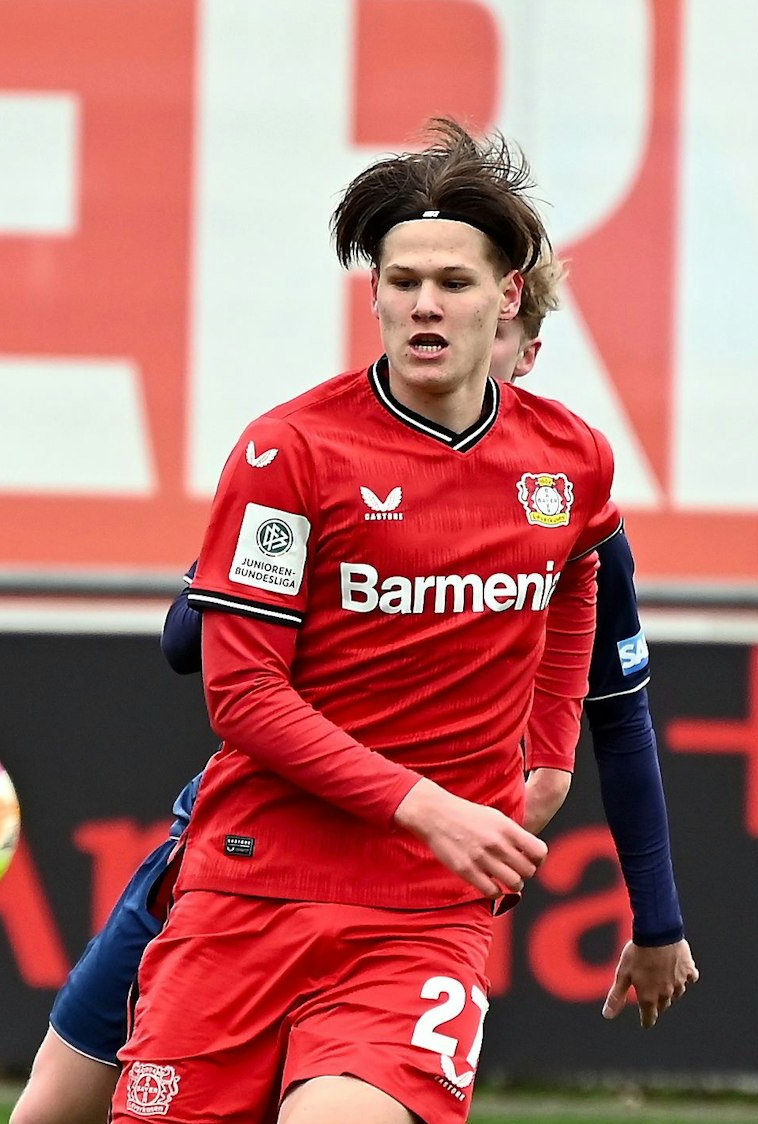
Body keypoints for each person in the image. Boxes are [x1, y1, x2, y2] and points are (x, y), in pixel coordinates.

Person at [10, 258, 698, 1124]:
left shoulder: (564, 499)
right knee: (51, 1113)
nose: (451, 340)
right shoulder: (315, 454)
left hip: (408, 895)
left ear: (520, 346)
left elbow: (617, 701)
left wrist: (639, 889)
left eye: (500, 341)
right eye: (410, 288)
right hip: (235, 867)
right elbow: (195, 650)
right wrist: (240, 571)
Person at [105, 119, 615, 1124]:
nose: (425, 303)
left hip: (424, 915)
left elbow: (575, 584)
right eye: (401, 280)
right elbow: (242, 694)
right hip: (251, 888)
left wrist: (548, 759)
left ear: (507, 296)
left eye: (455, 282)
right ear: (375, 293)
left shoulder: (571, 459)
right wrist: (430, 804)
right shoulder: (288, 453)